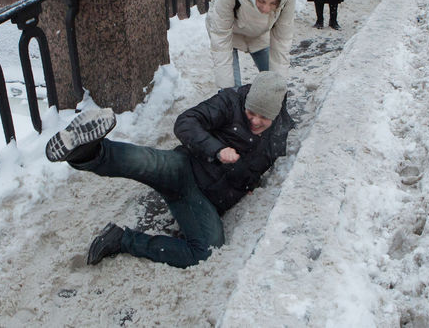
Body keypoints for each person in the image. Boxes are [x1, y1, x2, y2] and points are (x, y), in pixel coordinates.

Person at [45, 71, 292, 268]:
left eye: (263, 118)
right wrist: (217, 150)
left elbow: (259, 165)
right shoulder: (229, 102)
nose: (255, 121)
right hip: (185, 167)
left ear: (275, 114)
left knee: (206, 252)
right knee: (144, 162)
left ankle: (121, 240)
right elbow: (185, 122)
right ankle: (87, 151)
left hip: (203, 202)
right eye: (251, 112)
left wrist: (248, 184)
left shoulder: (277, 137)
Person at [206, 0, 295, 88]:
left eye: (273, 4)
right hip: (229, 33)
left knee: (273, 83)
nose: (265, 9)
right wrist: (228, 92)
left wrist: (278, 90)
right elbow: (221, 38)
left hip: (259, 34)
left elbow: (281, 42)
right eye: (261, 1)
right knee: (232, 89)